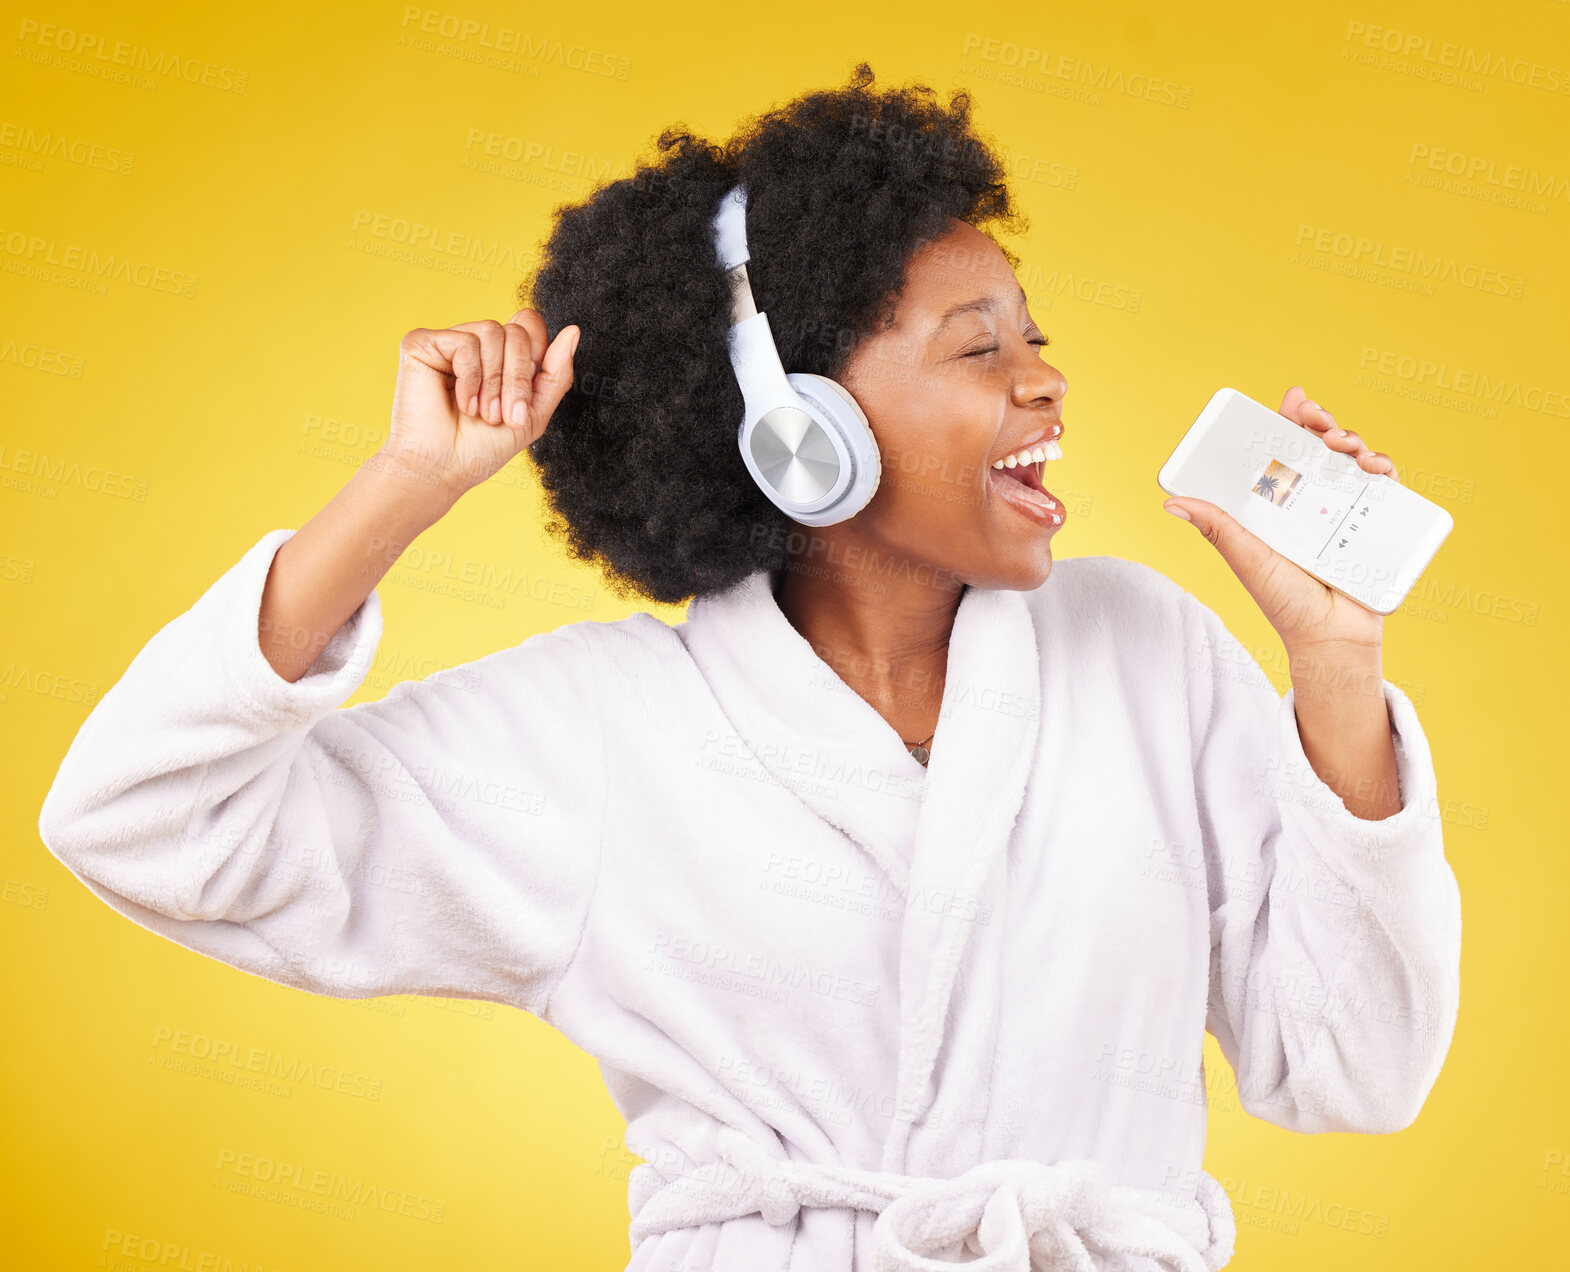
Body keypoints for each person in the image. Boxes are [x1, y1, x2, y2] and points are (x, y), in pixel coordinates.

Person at [36, 63, 1461, 1272]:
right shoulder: (598, 734)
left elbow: (1351, 1067)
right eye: (979, 351)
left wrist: (1334, 663)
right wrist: (403, 486)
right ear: (798, 432)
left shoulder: (1138, 652)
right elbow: (145, 823)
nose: (1045, 383)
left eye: (1035, 338)